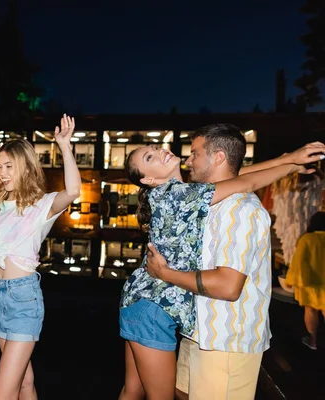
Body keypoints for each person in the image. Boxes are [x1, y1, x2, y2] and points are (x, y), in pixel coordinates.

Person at [118, 125, 324, 400]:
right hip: (153, 306)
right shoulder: (179, 197)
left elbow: (238, 174)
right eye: (149, 158)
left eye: (154, 149)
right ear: (148, 179)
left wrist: (288, 159)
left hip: (140, 300)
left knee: (133, 390)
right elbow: (244, 182)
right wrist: (289, 164)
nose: (160, 152)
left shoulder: (186, 193)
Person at [0, 114, 81, 399]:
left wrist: (65, 146)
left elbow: (73, 191)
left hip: (24, 301)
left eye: (10, 166)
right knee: (24, 383)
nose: (3, 173)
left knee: (3, 392)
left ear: (26, 167)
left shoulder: (41, 205)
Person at [286, 211, 325, 350]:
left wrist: (290, 280)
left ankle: (313, 341)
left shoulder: (307, 239)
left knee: (311, 311)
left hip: (311, 284)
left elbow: (298, 262)